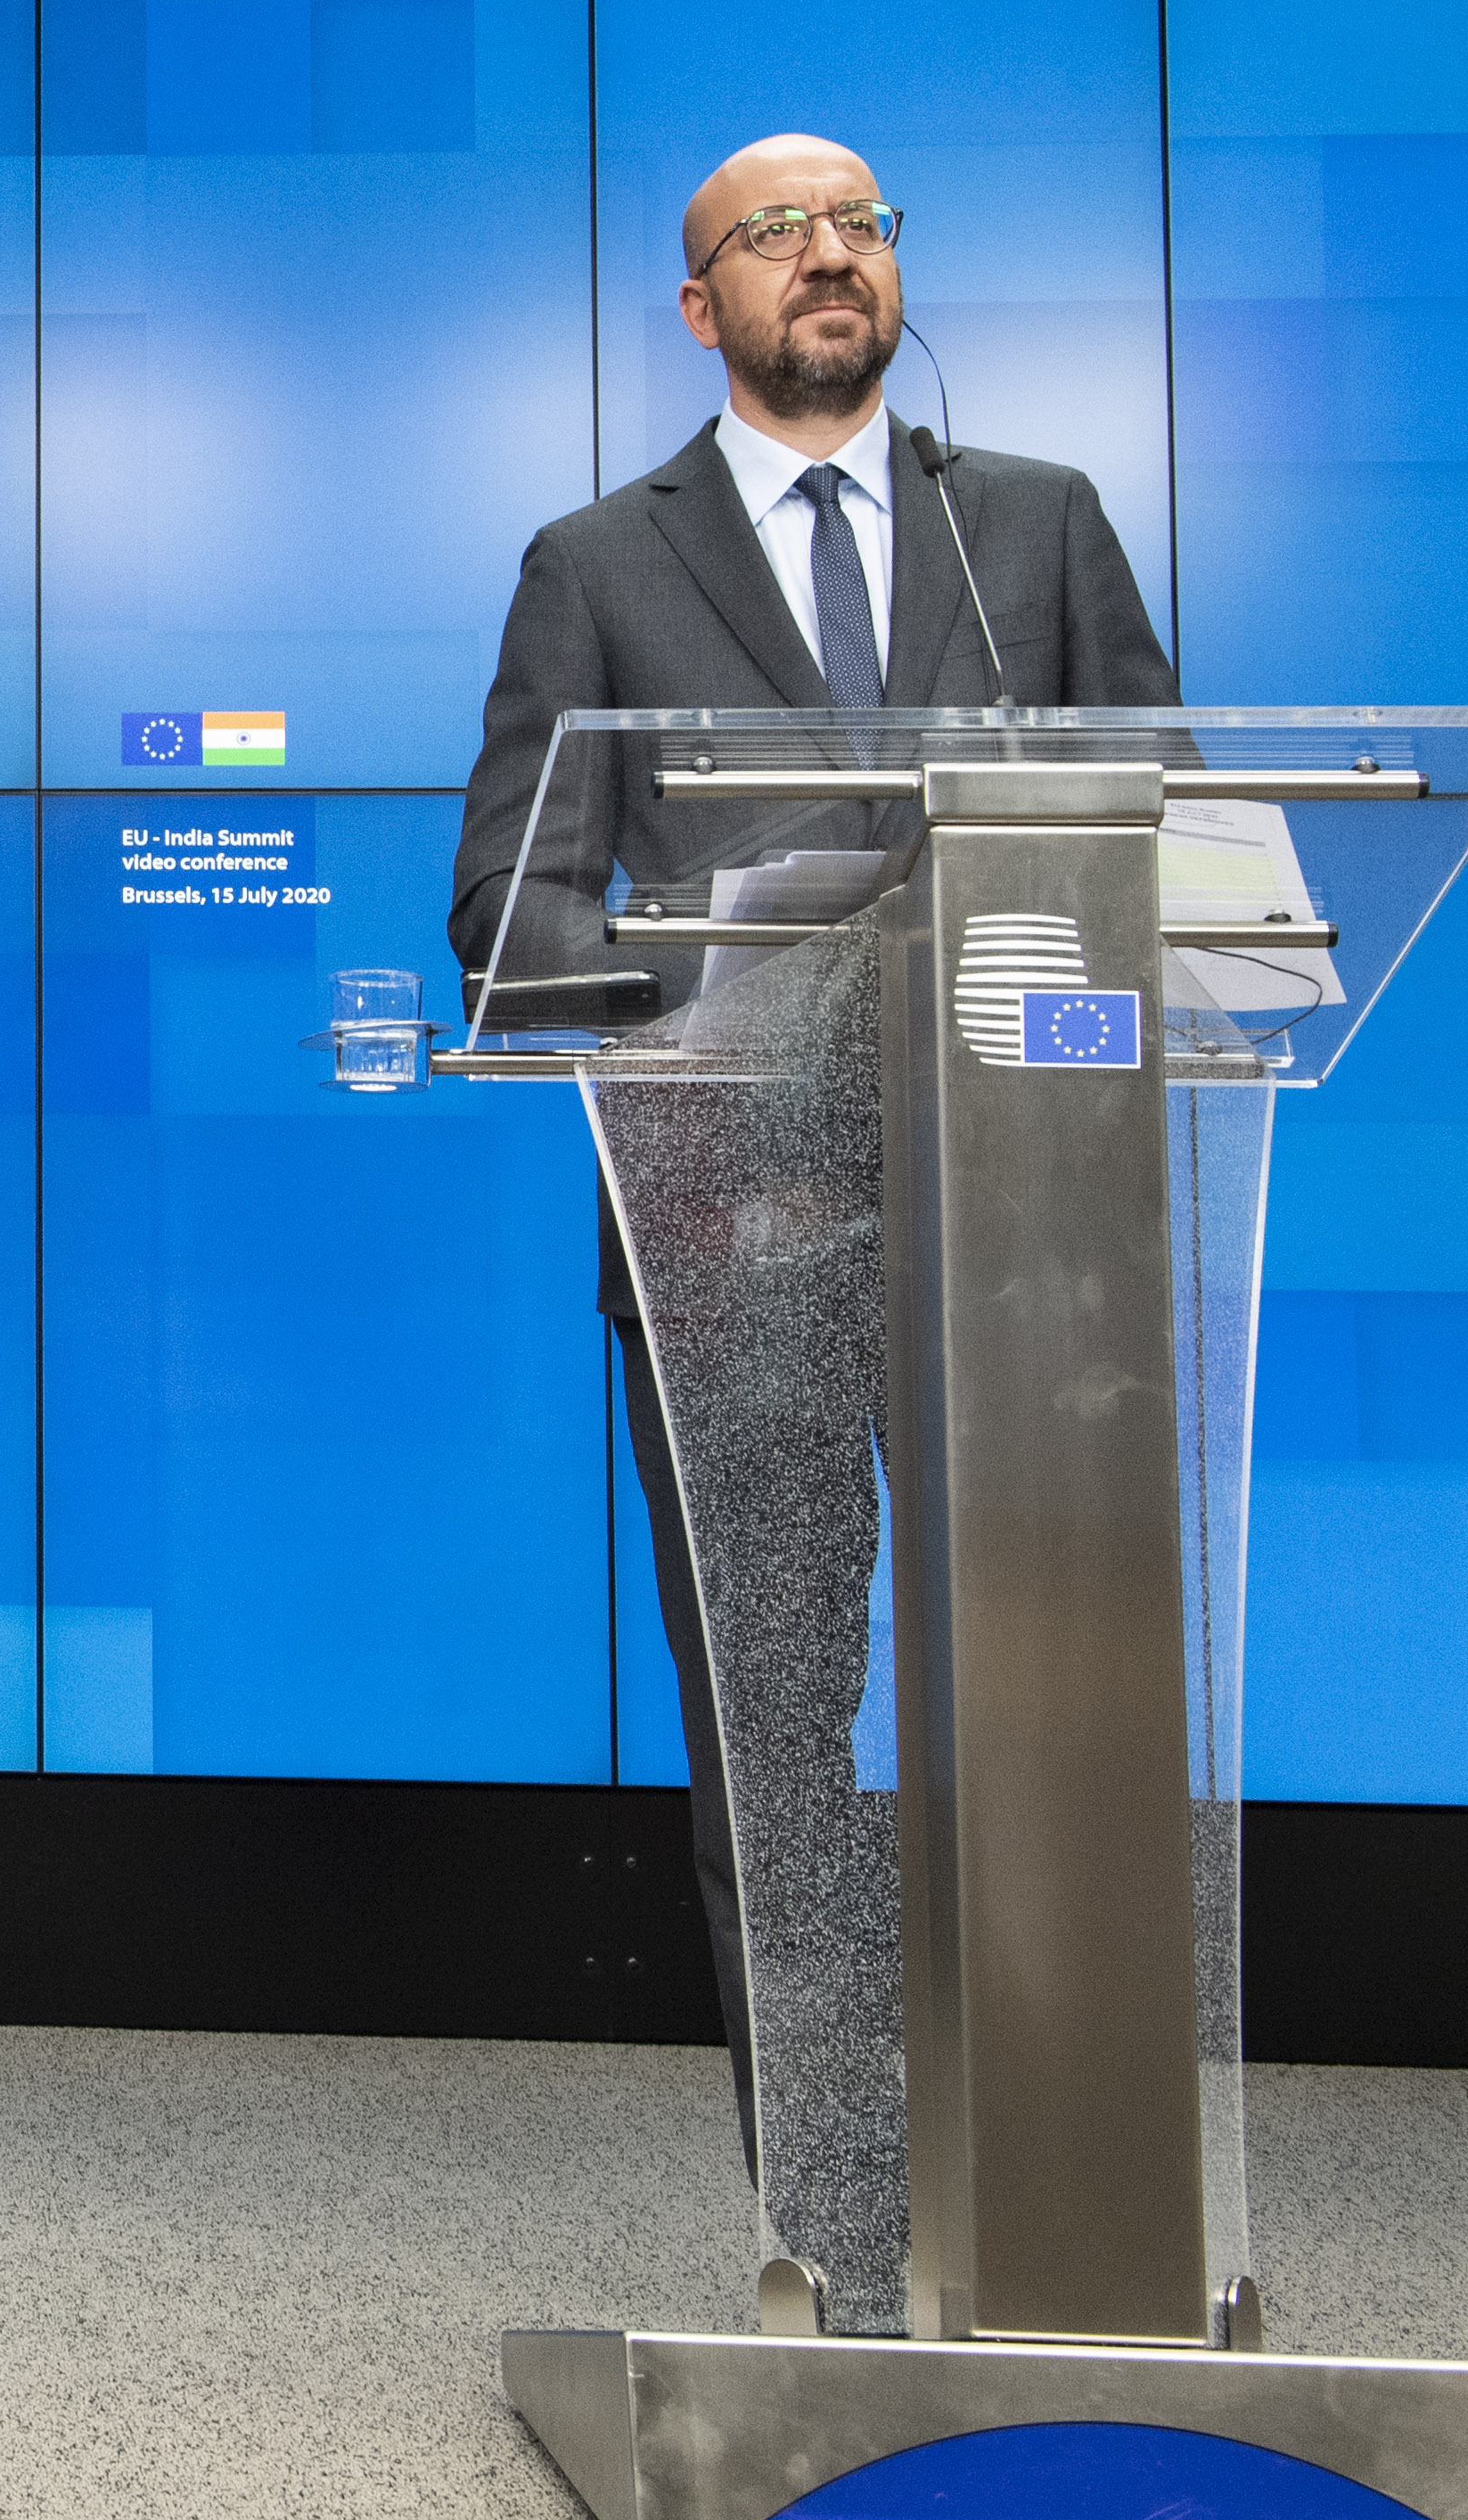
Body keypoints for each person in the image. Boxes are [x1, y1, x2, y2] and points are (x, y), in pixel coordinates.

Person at [443, 135, 1180, 2177]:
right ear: (700, 308)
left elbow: (1177, 835)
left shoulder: (1024, 530)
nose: (822, 256)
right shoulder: (592, 563)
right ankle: (837, 2197)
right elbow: (509, 906)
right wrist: (739, 956)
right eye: (768, 236)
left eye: (855, 223)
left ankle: (1051, 2168)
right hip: (728, 1221)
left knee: (1049, 1711)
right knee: (779, 1736)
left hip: (1034, 1238)